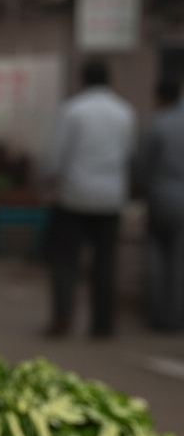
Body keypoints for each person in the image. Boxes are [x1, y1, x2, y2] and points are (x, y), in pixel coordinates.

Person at [41, 59, 136, 338]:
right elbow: (129, 153)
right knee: (105, 263)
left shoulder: (73, 110)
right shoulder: (125, 112)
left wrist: (47, 181)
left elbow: (56, 157)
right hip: (111, 196)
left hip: (75, 196)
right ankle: (102, 323)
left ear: (82, 79)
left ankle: (63, 317)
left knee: (66, 260)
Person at [135, 78, 184, 330]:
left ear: (160, 98)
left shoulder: (159, 125)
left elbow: (142, 167)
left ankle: (158, 316)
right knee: (179, 260)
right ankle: (177, 315)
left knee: (156, 259)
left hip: (161, 197)